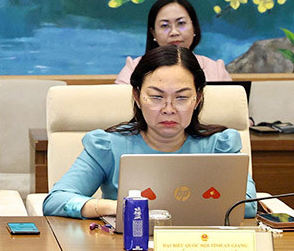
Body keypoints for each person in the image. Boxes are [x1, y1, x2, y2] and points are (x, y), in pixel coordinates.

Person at [44, 45, 256, 218]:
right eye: (156, 97)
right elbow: (56, 200)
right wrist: (116, 207)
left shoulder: (219, 146)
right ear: (137, 97)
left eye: (182, 97)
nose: (169, 109)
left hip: (200, 248)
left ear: (197, 99)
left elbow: (247, 205)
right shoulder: (109, 146)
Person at [115, 0, 231, 84]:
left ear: (194, 27)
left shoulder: (215, 70)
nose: (174, 32)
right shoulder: (133, 68)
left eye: (181, 23)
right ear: (153, 33)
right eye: (165, 25)